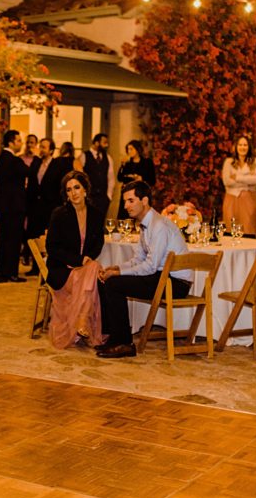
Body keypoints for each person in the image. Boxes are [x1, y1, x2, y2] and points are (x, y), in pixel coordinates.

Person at [95, 180, 192, 359]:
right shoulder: (145, 225)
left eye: (131, 201)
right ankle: (114, 338)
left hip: (175, 284)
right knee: (107, 280)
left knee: (114, 284)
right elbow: (138, 259)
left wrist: (117, 274)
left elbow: (150, 266)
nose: (125, 206)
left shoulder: (159, 226)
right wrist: (116, 267)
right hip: (161, 276)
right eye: (125, 201)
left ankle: (124, 343)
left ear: (145, 200)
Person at [45, 171, 105, 349]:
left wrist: (86, 260)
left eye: (77, 187)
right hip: (62, 270)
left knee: (93, 268)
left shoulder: (96, 214)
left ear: (85, 189)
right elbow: (52, 247)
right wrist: (78, 260)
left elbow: (99, 243)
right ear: (67, 195)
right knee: (94, 270)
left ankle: (82, 318)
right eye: (69, 190)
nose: (74, 193)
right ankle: (83, 320)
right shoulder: (59, 214)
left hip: (84, 269)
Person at [0, 130, 28, 282]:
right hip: (14, 206)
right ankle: (11, 272)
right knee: (14, 239)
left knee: (4, 238)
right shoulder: (14, 160)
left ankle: (1, 270)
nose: (21, 143)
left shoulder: (1, 159)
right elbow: (28, 172)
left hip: (3, 205)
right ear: (11, 142)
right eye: (19, 140)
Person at [221, 135, 256, 235]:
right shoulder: (228, 162)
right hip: (231, 199)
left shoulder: (255, 162)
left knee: (249, 230)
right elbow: (227, 181)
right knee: (230, 231)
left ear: (249, 147)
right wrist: (247, 178)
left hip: (249, 199)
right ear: (235, 146)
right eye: (240, 145)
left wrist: (237, 177)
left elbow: (255, 180)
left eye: (245, 145)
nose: (242, 147)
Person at [117, 140, 155, 220]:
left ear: (137, 149)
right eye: (127, 149)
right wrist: (122, 166)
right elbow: (119, 178)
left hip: (140, 194)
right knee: (125, 216)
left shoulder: (147, 162)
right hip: (127, 194)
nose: (129, 151)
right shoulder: (127, 164)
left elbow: (152, 180)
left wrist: (141, 178)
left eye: (131, 149)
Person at [78, 133, 114, 212]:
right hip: (89, 196)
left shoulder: (108, 157)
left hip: (103, 198)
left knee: (101, 222)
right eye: (104, 142)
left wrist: (109, 196)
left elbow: (111, 177)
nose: (107, 145)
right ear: (97, 143)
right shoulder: (84, 156)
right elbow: (80, 176)